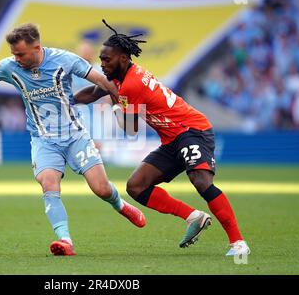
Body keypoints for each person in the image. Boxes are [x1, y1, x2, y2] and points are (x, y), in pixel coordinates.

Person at [0, 23, 145, 256]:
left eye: (20, 54)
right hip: (43, 140)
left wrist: (122, 101)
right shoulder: (10, 67)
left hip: (75, 135)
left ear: (36, 47)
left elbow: (100, 79)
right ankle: (65, 240)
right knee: (49, 183)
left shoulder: (64, 59)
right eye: (13, 54)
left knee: (101, 189)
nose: (15, 58)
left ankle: (120, 205)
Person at [74, 20, 250, 256]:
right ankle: (193, 217)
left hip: (191, 129)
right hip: (171, 139)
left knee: (200, 181)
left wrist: (116, 106)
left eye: (107, 60)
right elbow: (95, 92)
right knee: (136, 187)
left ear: (124, 59)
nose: (102, 64)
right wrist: (66, 100)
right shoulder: (121, 77)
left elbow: (131, 128)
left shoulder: (131, 84)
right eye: (102, 59)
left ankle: (238, 243)